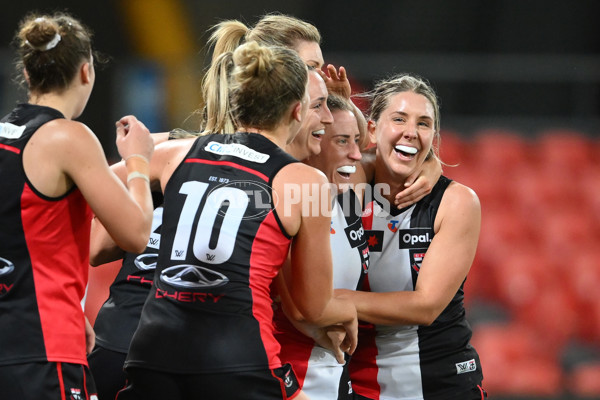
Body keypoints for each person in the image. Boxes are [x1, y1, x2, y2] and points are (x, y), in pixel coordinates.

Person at [116, 41, 358, 400]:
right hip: (236, 353)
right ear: (296, 111)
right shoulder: (305, 182)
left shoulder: (174, 153)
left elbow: (86, 183)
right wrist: (348, 313)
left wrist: (136, 161)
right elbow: (313, 305)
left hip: (152, 350)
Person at [0, 12, 154, 400]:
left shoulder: (5, 134)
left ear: (27, 71)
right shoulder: (68, 138)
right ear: (86, 71)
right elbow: (136, 234)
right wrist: (138, 160)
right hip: (44, 350)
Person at [335, 73, 486, 400]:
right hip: (360, 386)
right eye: (399, 119)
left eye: (423, 124)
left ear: (434, 136)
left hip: (442, 384)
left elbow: (425, 306)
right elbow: (327, 161)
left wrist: (327, 301)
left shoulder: (457, 201)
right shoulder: (352, 186)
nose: (411, 132)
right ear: (373, 129)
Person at [274, 93, 370, 400]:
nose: (356, 154)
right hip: (295, 377)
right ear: (313, 141)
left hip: (336, 375)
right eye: (343, 141)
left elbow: (399, 155)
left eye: (357, 141)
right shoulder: (288, 201)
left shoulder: (344, 195)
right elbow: (303, 311)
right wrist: (348, 312)